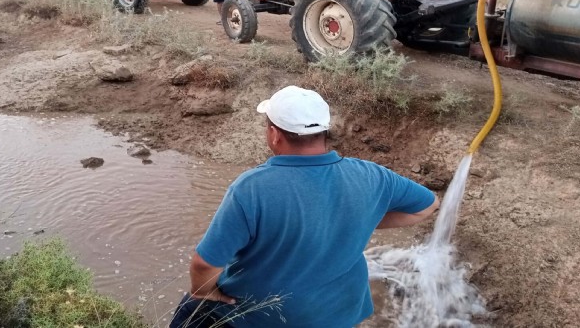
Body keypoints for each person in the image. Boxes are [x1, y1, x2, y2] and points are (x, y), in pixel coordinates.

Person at [169, 85, 439, 328]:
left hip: (264, 318)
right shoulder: (373, 176)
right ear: (324, 131)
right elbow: (427, 206)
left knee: (190, 313)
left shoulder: (252, 189)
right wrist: (362, 216)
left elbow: (204, 264)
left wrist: (204, 292)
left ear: (274, 135)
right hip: (339, 315)